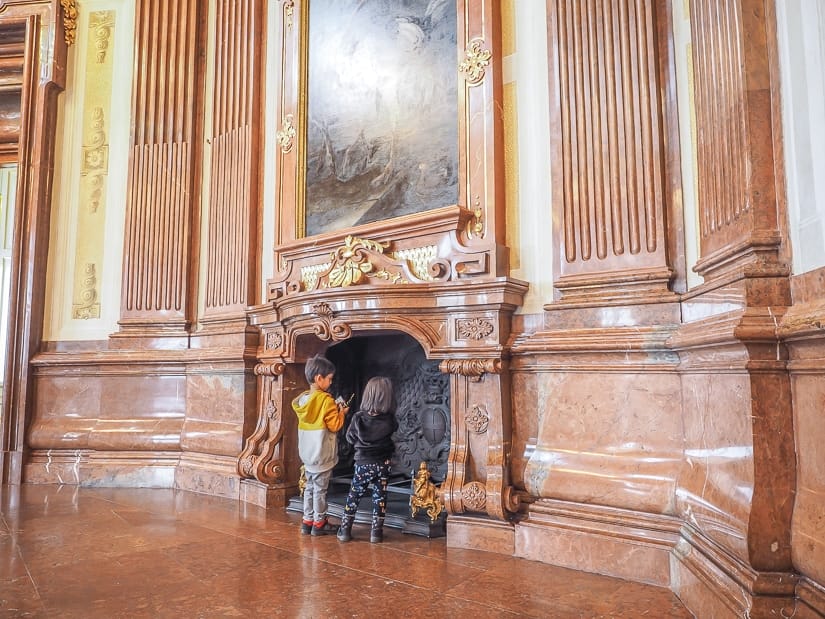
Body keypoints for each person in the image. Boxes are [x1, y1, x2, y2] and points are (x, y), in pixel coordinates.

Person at [292, 354, 349, 536]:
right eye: (329, 379)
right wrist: (342, 413)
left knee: (309, 488)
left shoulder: (303, 400)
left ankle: (307, 520)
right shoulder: (327, 401)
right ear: (319, 378)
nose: (331, 383)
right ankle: (319, 523)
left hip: (307, 454)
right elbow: (335, 425)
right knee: (320, 491)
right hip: (322, 455)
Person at [337, 376, 398, 543]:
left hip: (363, 464)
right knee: (380, 496)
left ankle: (345, 529)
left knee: (355, 494)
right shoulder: (390, 419)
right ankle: (376, 533)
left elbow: (349, 438)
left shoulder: (358, 418)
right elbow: (395, 430)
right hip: (383, 464)